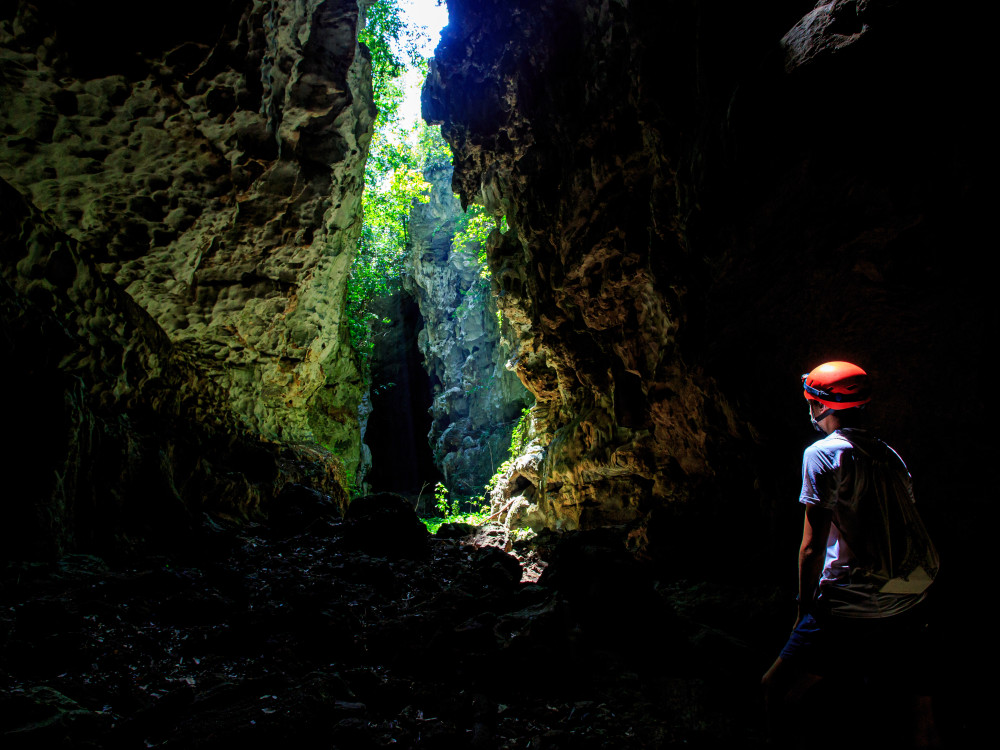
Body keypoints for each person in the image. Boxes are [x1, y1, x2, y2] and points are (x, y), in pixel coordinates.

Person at [761, 361, 940, 749]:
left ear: (821, 406)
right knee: (917, 709)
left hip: (852, 601)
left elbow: (811, 546)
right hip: (909, 600)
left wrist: (803, 609)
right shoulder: (890, 456)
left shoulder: (823, 455)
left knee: (775, 688)